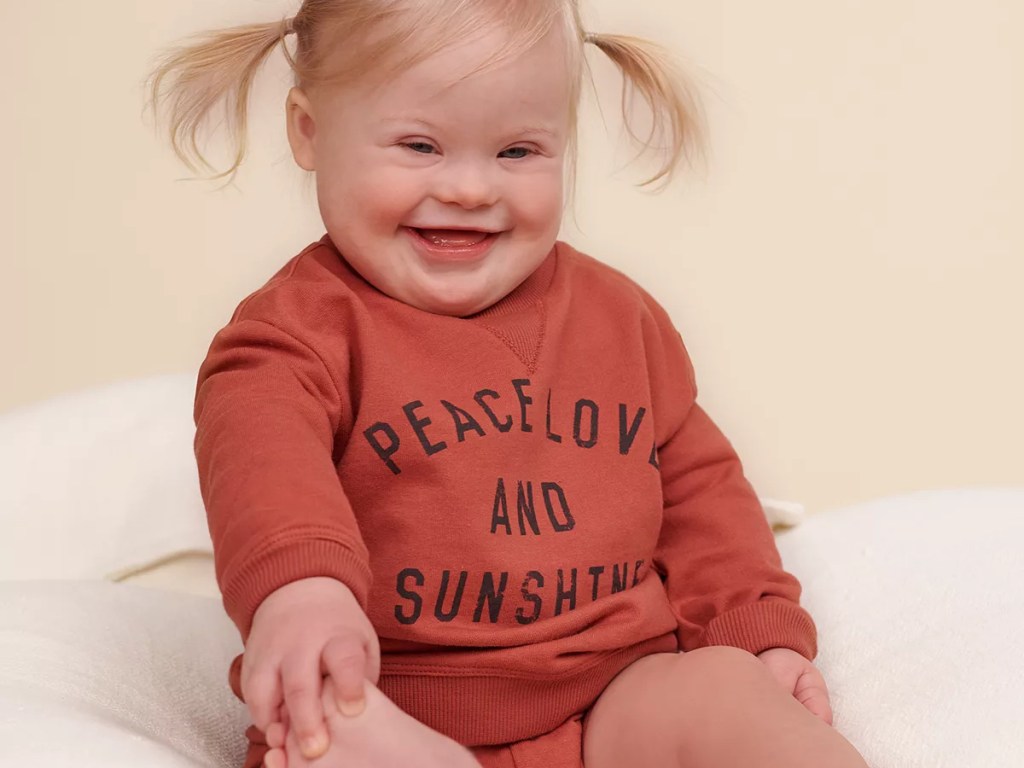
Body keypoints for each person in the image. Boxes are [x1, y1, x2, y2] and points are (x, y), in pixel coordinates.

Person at [149, 2, 869, 767]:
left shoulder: (621, 319)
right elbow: (264, 465)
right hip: (397, 696)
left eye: (518, 151)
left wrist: (754, 633)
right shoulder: (294, 334)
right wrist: (302, 592)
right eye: (421, 145)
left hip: (612, 694)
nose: (468, 187)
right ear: (310, 131)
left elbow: (701, 495)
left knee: (724, 694)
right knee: (326, 729)